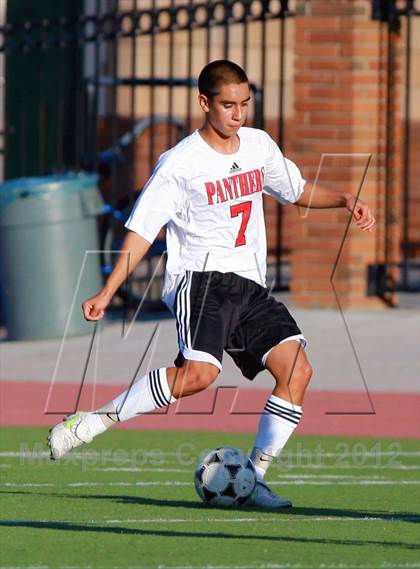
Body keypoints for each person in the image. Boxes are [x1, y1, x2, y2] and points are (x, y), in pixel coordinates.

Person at [48, 60, 376, 508]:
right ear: (204, 103)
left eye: (244, 103)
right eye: (227, 105)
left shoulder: (259, 146)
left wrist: (344, 198)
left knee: (298, 370)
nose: (237, 113)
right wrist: (108, 290)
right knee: (199, 375)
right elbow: (142, 231)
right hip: (201, 280)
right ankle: (91, 422)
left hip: (250, 285)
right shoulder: (180, 164)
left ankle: (253, 478)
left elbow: (294, 189)